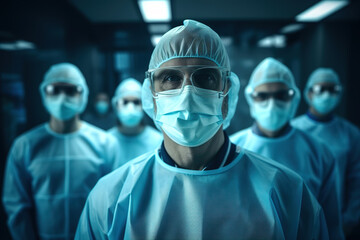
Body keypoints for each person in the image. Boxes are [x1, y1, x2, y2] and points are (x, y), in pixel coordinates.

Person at [75, 20, 329, 240]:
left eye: (205, 78)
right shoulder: (110, 198)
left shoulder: (287, 193)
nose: (187, 94)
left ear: (227, 94)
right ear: (151, 96)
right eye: (171, 78)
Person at [2, 63, 120, 240]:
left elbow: (114, 202)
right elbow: (16, 207)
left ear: (83, 94)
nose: (62, 97)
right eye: (54, 89)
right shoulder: (25, 146)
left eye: (71, 90)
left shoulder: (105, 144)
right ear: (44, 93)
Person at [230, 58, 343, 239]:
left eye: (281, 95)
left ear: (294, 98)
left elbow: (331, 224)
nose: (272, 103)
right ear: (251, 98)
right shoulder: (232, 148)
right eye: (263, 96)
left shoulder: (319, 153)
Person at [292, 68, 360, 237]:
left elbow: (357, 182)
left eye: (333, 90)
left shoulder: (350, 134)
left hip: (338, 217)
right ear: (308, 93)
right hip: (296, 219)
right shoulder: (294, 130)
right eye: (321, 89)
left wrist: (348, 221)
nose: (327, 95)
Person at [108, 78, 162, 168]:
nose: (131, 107)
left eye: (136, 102)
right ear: (116, 105)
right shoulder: (106, 142)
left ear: (144, 104)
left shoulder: (158, 141)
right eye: (125, 102)